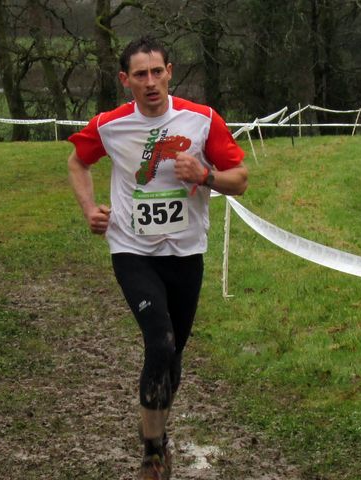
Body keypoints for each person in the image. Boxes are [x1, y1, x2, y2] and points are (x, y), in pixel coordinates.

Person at [67, 36, 248, 480]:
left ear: (170, 72)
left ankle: (157, 431)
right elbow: (77, 162)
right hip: (132, 249)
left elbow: (240, 179)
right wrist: (90, 209)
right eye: (140, 75)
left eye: (156, 72)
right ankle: (152, 453)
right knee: (160, 341)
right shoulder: (110, 125)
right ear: (124, 79)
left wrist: (205, 174)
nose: (150, 82)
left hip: (185, 251)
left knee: (174, 354)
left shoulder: (202, 120)